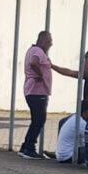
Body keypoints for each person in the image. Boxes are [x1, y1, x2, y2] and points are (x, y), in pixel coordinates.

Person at [20, 31, 78, 159]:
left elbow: (41, 64)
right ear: (43, 41)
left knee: (37, 119)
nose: (51, 44)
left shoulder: (34, 50)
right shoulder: (38, 52)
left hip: (34, 91)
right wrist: (40, 75)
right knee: (39, 120)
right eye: (49, 41)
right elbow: (34, 63)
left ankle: (26, 146)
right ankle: (29, 148)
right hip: (37, 92)